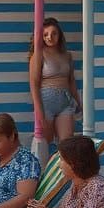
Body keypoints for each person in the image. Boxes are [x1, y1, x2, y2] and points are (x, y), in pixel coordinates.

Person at [28, 17, 80, 146]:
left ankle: (64, 166)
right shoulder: (39, 54)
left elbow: (71, 81)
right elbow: (34, 83)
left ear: (60, 35)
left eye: (54, 33)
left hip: (66, 100)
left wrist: (78, 101)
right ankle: (45, 167)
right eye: (45, 34)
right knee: (46, 142)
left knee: (67, 143)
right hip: (47, 102)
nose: (50, 37)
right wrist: (38, 110)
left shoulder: (67, 55)